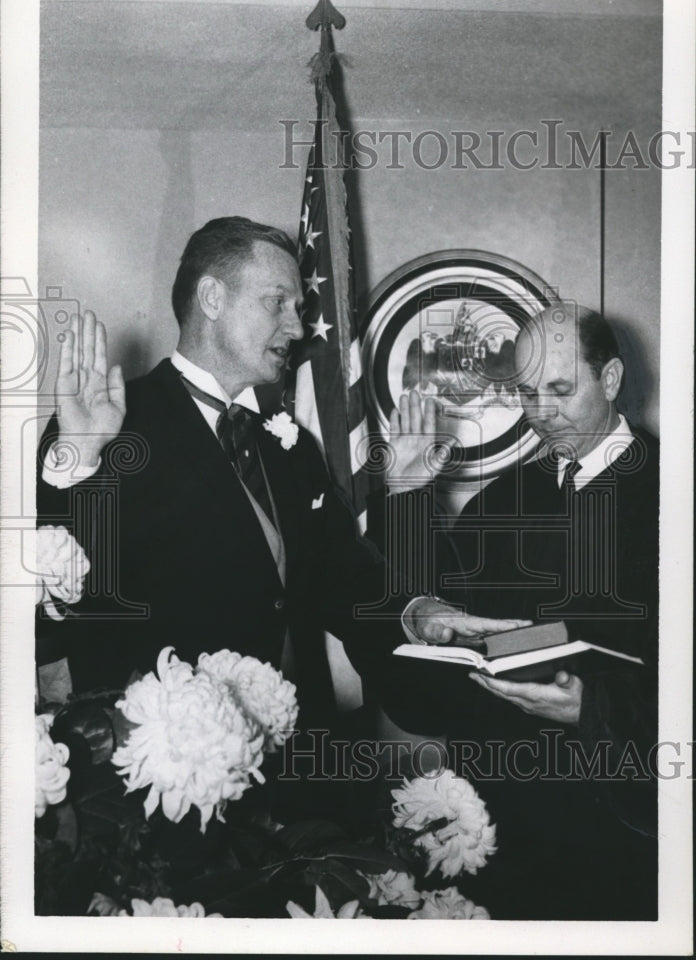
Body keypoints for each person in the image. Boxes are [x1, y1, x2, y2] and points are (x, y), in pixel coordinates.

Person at [36, 216, 519, 727]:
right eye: (277, 303)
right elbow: (56, 586)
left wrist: (416, 613)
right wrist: (78, 460)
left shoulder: (288, 445)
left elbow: (347, 578)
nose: (297, 327)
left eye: (299, 309)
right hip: (167, 762)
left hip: (300, 758)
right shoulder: (108, 423)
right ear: (212, 299)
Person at [375, 301, 658, 919]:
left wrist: (595, 710)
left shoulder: (672, 494)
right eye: (528, 394)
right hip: (500, 840)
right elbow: (425, 656)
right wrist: (404, 495)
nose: (542, 414)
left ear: (610, 380)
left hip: (619, 848)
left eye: (560, 389)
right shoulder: (502, 500)